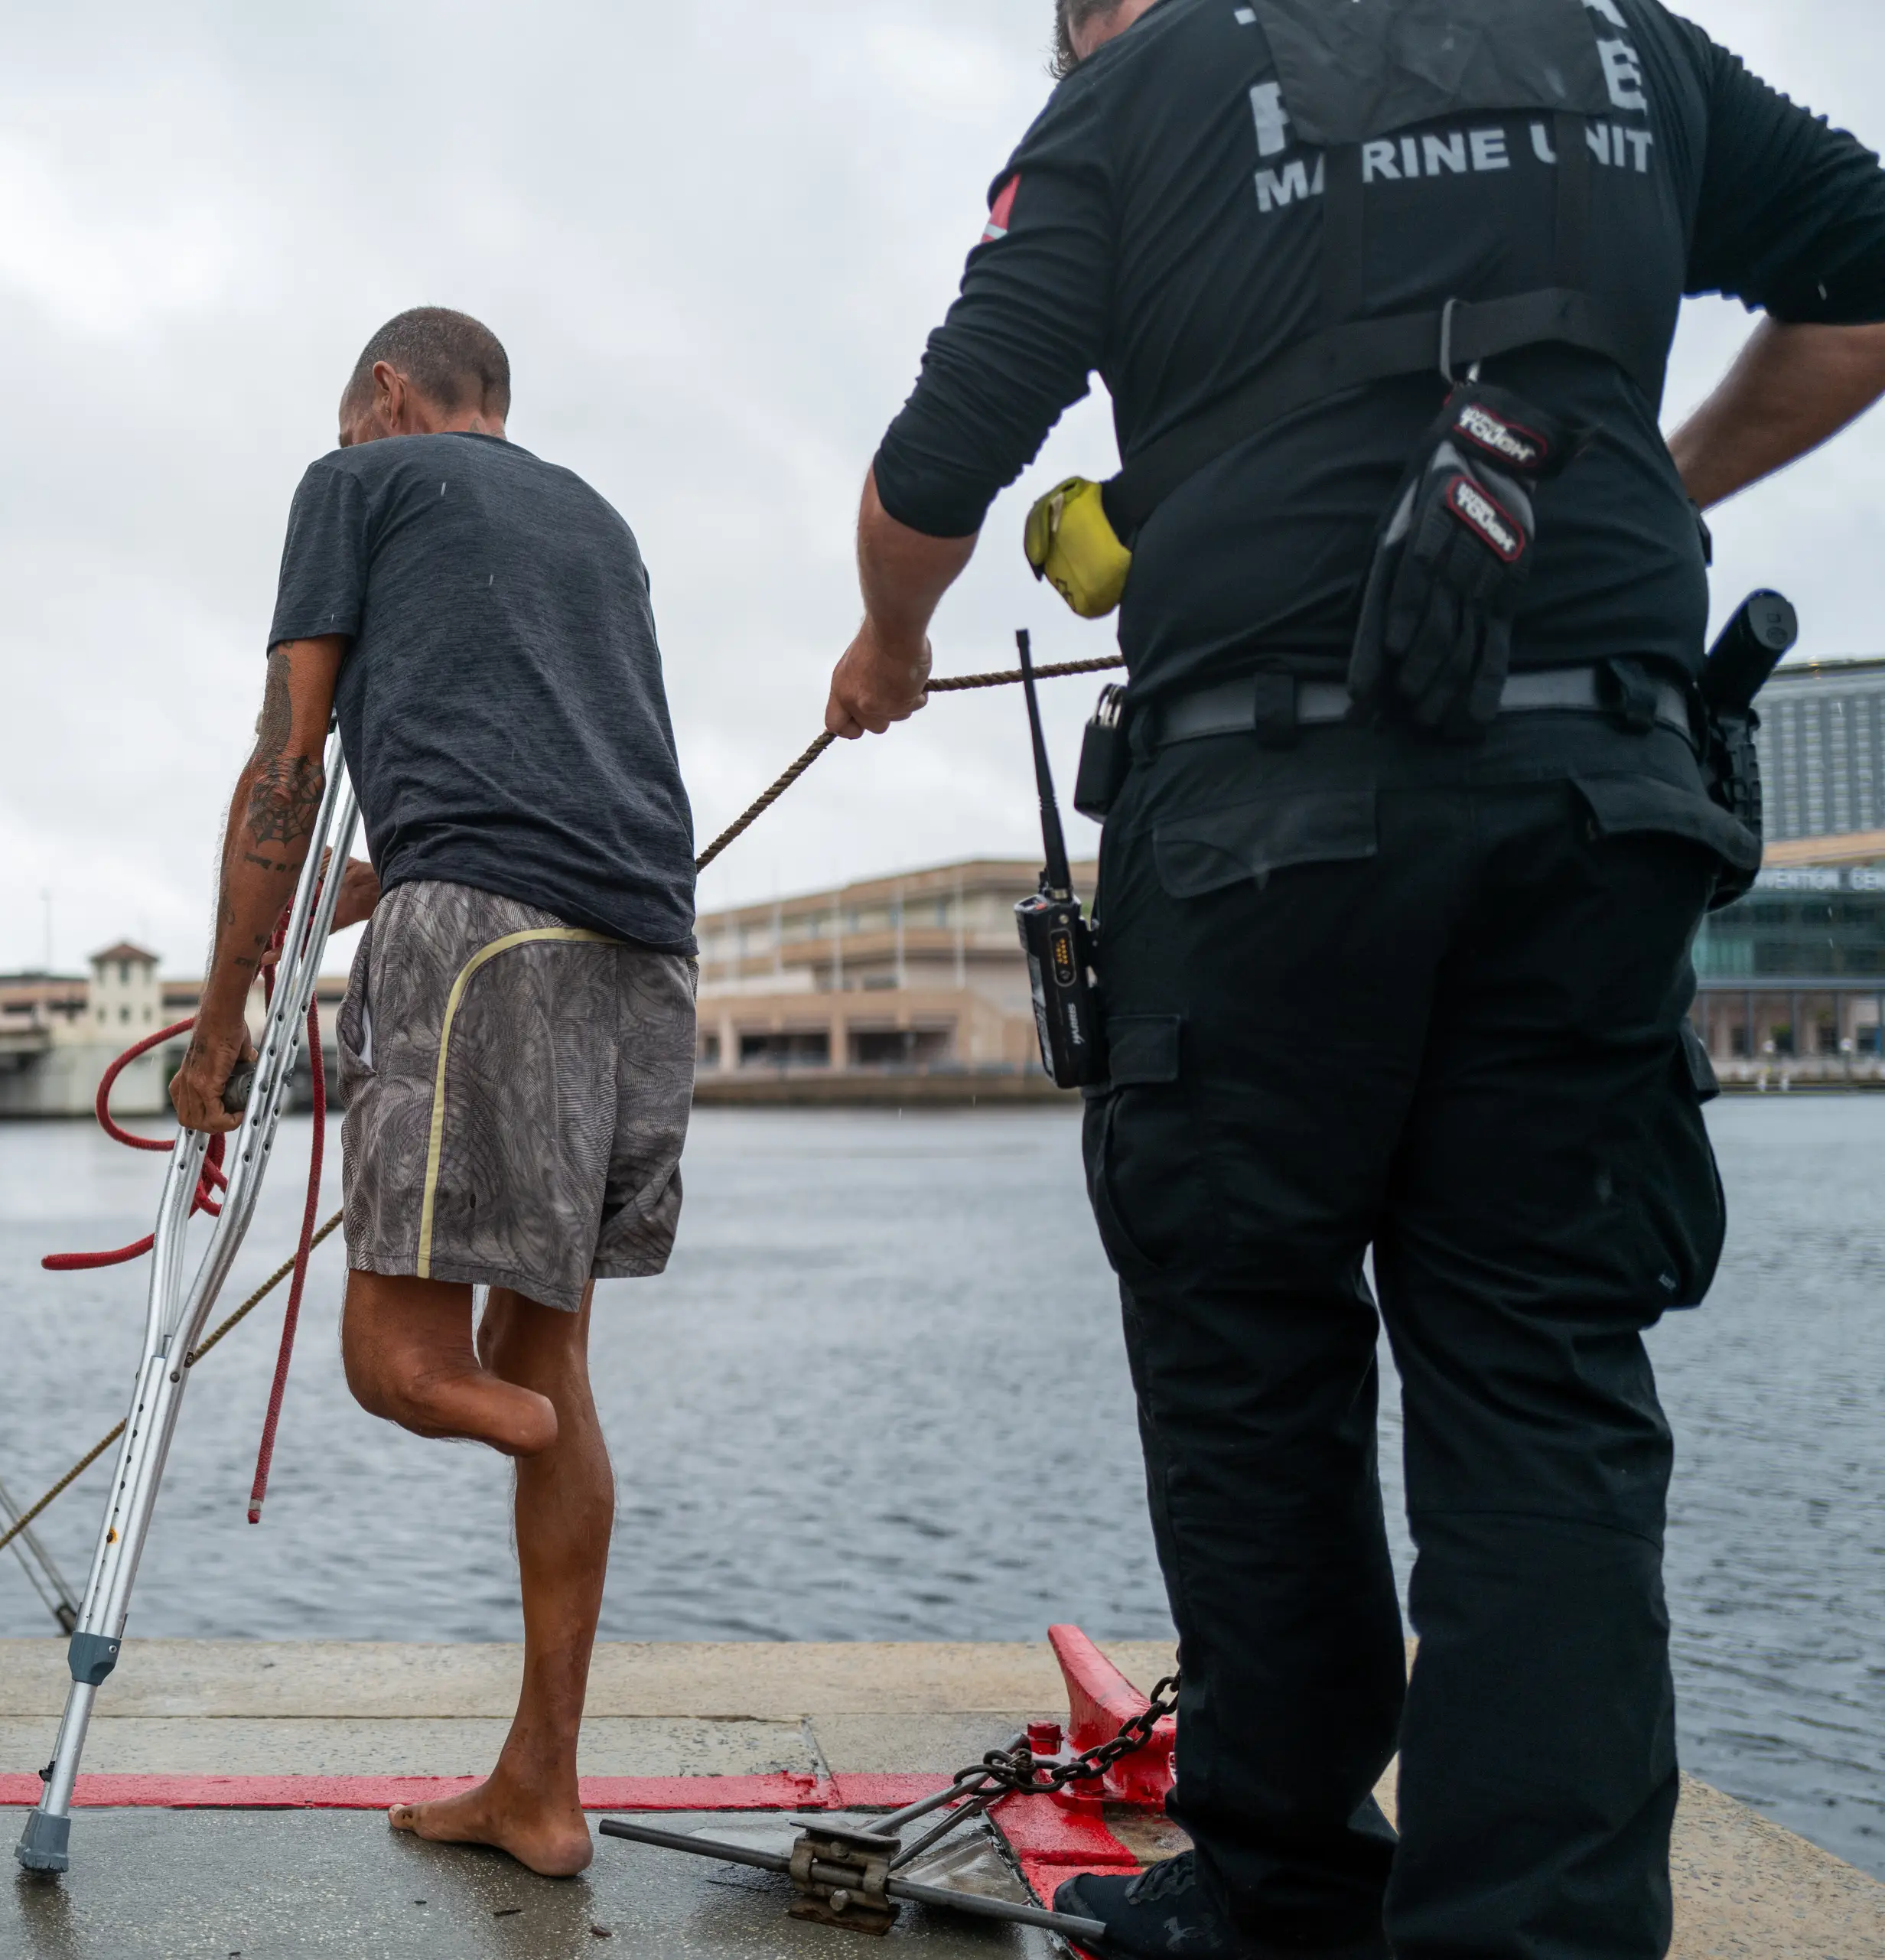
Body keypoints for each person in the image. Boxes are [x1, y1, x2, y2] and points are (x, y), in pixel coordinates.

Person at [826, 2, 1885, 1954]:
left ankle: (1283, 1897)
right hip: (1598, 804)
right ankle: (1537, 1931)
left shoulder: (1138, 88)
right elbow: (1868, 273)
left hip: (1259, 817)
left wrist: (891, 639)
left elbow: (941, 455)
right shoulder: (1624, 43)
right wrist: (1660, 469)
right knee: (1546, 1380)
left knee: (1252, 1357)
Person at [167, 308, 698, 1877]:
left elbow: (287, 757)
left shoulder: (356, 484)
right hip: (647, 950)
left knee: (402, 1364)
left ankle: (543, 1436)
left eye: (352, 419)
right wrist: (387, 875)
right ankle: (541, 1787)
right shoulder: (593, 518)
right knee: (552, 1358)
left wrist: (221, 1023)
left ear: (386, 393)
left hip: (478, 946)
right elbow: (559, 746)